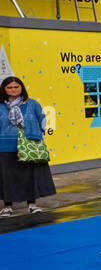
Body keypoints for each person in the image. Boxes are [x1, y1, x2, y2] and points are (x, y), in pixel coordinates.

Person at [0, 75, 56, 217]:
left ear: (21, 88)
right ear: (4, 89)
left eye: (16, 87)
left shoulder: (32, 104)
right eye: (9, 87)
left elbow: (42, 119)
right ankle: (7, 206)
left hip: (29, 146)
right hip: (5, 147)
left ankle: (32, 205)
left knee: (29, 176)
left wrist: (38, 135)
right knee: (7, 177)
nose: (13, 90)